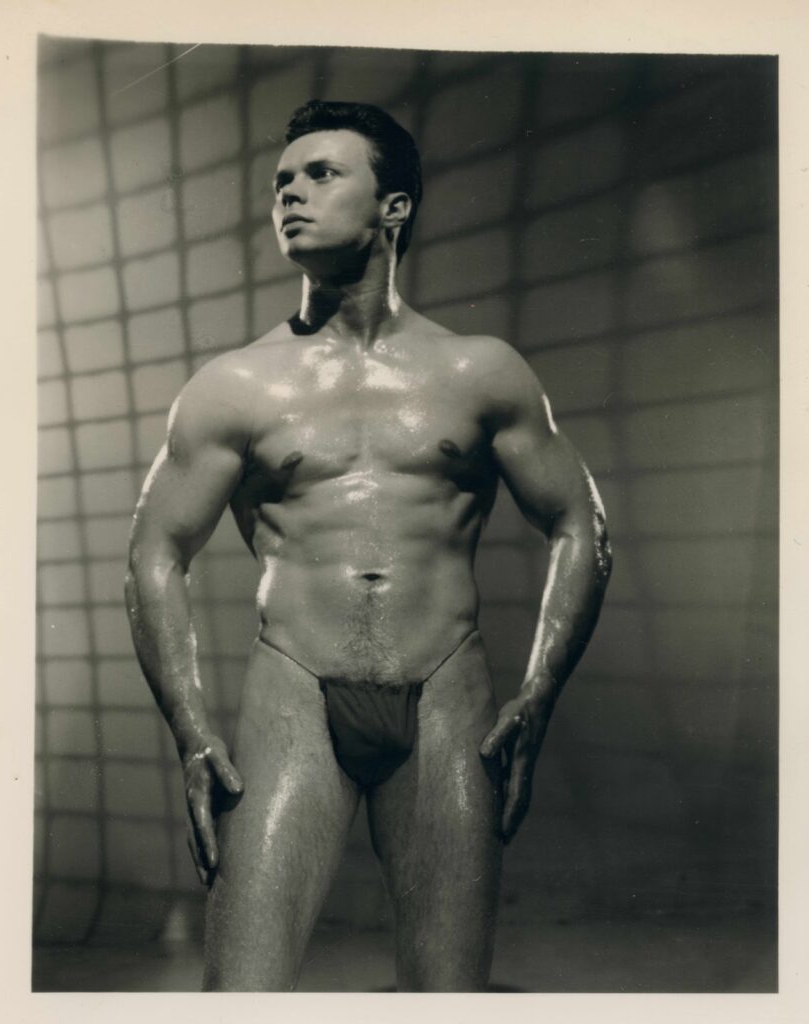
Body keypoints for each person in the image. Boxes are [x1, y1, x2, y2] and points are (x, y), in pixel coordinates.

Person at [124, 99, 612, 992]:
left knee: (446, 997)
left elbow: (582, 522)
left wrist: (541, 692)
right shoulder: (234, 386)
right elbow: (154, 550)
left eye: (321, 174)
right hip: (295, 691)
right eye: (282, 180)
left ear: (393, 207)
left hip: (446, 691)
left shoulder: (481, 371)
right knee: (239, 997)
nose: (290, 194)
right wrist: (191, 732)